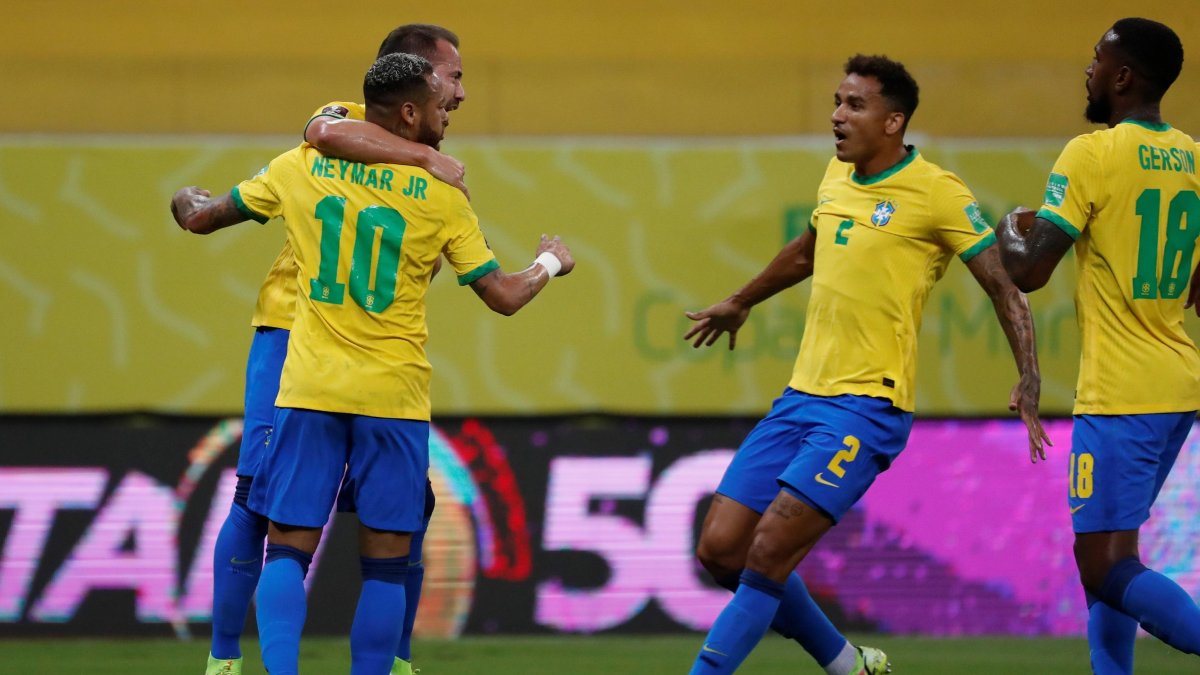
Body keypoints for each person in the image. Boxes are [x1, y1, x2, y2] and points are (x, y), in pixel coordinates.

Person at [173, 52, 574, 675]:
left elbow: (205, 216)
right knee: (387, 561)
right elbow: (504, 296)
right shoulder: (444, 196)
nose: (450, 114)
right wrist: (551, 262)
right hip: (394, 398)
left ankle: (243, 663)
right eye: (443, 103)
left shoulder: (300, 167)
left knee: (285, 551)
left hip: (307, 388)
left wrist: (184, 198)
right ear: (411, 112)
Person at [683, 54, 1048, 675]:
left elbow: (1004, 287)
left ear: (893, 121)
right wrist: (742, 300)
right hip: (801, 397)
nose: (836, 115)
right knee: (721, 553)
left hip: (867, 406)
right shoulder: (836, 176)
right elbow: (808, 251)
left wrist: (1030, 377)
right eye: (836, 101)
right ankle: (849, 664)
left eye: (854, 105)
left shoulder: (938, 191)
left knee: (769, 552)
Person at [200, 24, 468, 675]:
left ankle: (395, 659)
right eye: (453, 77)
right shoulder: (340, 119)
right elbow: (320, 134)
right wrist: (429, 162)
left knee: (409, 509)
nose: (461, 92)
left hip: (372, 350)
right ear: (414, 80)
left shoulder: (433, 167)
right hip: (294, 329)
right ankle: (225, 659)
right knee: (257, 493)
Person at [996, 18, 1200, 674]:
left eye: (1096, 59)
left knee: (1102, 563)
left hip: (1120, 393)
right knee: (1117, 553)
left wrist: (1008, 228)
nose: (1087, 70)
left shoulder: (1092, 154)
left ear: (1122, 77)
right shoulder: (1194, 158)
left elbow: (1029, 270)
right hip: (1177, 383)